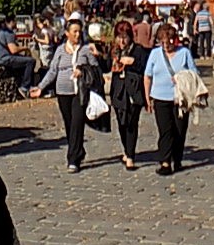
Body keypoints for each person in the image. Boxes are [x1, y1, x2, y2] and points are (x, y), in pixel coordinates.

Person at [31, 17, 99, 173]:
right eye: (74, 31)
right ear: (67, 33)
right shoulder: (60, 50)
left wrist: (84, 70)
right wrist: (41, 87)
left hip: (79, 92)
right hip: (63, 92)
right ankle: (78, 150)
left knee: (77, 123)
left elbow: (96, 70)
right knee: (69, 125)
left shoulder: (85, 50)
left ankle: (73, 159)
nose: (77, 34)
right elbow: (53, 70)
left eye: (79, 31)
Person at [144, 24, 196, 176]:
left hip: (180, 99)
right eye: (163, 43)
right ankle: (165, 161)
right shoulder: (154, 54)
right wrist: (148, 97)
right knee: (165, 131)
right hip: (160, 98)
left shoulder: (184, 53)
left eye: (169, 42)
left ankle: (177, 158)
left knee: (179, 130)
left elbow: (194, 73)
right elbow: (147, 76)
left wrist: (182, 77)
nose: (166, 46)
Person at [108, 19, 149, 170]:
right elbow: (106, 66)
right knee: (121, 122)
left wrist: (133, 62)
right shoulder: (113, 50)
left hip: (133, 91)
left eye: (125, 37)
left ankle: (130, 155)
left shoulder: (138, 50)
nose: (122, 41)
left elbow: (145, 67)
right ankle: (126, 149)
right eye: (119, 37)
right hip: (118, 91)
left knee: (132, 122)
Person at [0, 18, 36, 96]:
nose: (16, 23)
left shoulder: (0, 32)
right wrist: (26, 48)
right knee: (30, 61)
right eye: (15, 21)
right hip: (4, 59)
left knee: (23, 60)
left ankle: (20, 83)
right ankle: (25, 87)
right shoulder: (8, 33)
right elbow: (13, 50)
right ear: (11, 22)